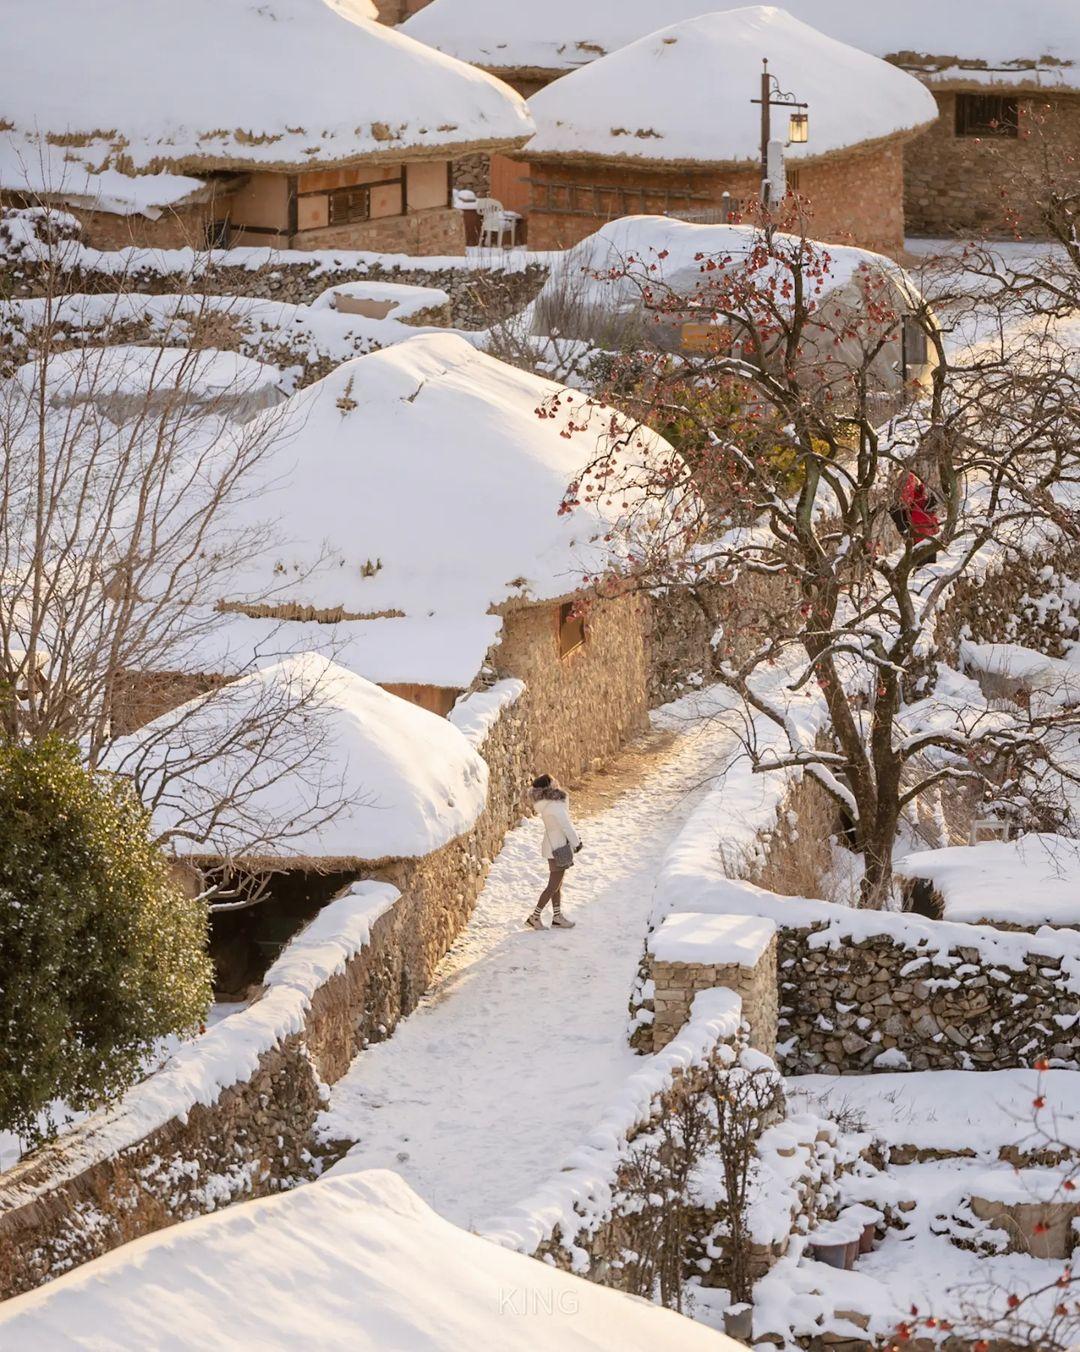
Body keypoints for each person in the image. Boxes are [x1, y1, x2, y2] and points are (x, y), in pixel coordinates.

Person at [525, 773, 581, 930]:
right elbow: (566, 826)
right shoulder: (555, 806)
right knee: (553, 885)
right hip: (558, 848)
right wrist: (577, 843)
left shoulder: (547, 804)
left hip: (552, 846)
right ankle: (534, 917)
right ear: (549, 786)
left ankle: (557, 917)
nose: (557, 780)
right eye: (553, 780)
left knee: (557, 884)